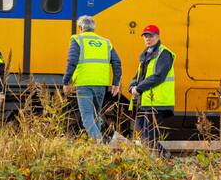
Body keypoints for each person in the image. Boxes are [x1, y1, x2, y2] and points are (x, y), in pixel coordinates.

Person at [62, 15, 121, 142]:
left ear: (80, 27)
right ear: (93, 28)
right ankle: (96, 145)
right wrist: (116, 83)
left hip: (84, 84)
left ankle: (98, 144)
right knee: (95, 115)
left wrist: (66, 81)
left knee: (87, 117)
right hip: (101, 85)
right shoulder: (106, 42)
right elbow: (117, 62)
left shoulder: (77, 39)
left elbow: (71, 61)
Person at [128, 24, 176, 155]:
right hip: (144, 102)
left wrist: (138, 88)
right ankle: (157, 160)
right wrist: (132, 86)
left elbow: (159, 76)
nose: (147, 39)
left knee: (149, 136)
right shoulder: (145, 55)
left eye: (151, 36)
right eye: (145, 36)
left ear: (158, 37)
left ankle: (165, 160)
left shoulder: (164, 53)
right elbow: (138, 75)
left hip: (157, 102)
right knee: (142, 135)